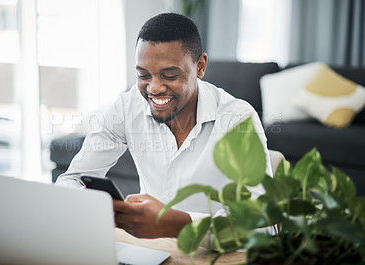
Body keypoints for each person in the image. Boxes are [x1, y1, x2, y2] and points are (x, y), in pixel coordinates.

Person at [56, 13, 272, 239]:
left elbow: (262, 222)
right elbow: (70, 179)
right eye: (143, 75)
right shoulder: (127, 106)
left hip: (212, 256)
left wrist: (181, 224)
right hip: (150, 250)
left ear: (200, 66)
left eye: (169, 75)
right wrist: (83, 199)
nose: (154, 88)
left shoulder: (237, 118)